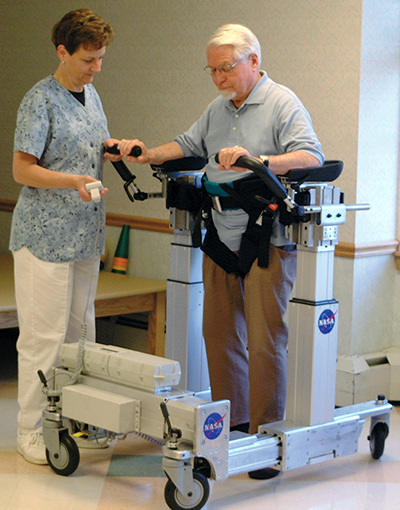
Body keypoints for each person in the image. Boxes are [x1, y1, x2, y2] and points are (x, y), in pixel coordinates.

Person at [117, 24, 324, 479]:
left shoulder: (282, 102)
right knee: (218, 334)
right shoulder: (216, 109)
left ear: (253, 61)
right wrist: (146, 153)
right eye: (211, 70)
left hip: (265, 238)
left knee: (265, 339)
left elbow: (311, 157)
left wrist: (258, 159)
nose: (218, 78)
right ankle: (233, 426)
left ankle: (266, 436)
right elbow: (188, 147)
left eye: (225, 68)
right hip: (219, 235)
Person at [10, 9, 120, 465]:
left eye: (100, 59)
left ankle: (76, 418)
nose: (97, 68)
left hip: (83, 236)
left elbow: (96, 145)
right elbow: (22, 169)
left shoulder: (90, 96)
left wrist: (118, 150)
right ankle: (30, 429)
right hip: (44, 238)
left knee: (80, 334)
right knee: (45, 336)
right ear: (63, 52)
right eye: (89, 59)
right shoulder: (40, 100)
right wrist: (73, 181)